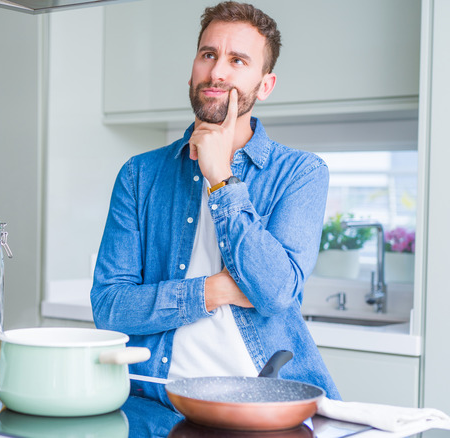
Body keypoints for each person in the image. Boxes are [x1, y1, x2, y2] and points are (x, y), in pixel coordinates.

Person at [90, 1, 341, 406]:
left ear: (265, 85)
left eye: (238, 60)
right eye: (208, 55)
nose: (217, 71)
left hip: (266, 404)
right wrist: (214, 291)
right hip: (157, 400)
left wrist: (221, 178)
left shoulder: (302, 173)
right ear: (193, 68)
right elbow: (110, 309)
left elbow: (276, 293)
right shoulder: (140, 175)